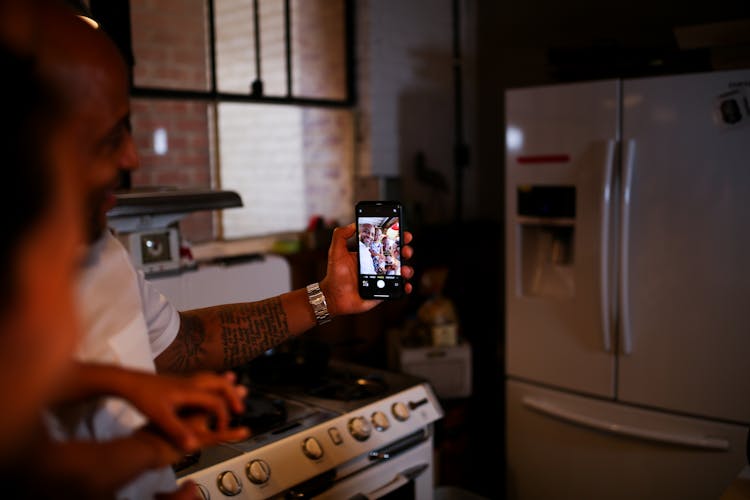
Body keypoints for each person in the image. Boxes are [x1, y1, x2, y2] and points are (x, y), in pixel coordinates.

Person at [34, 1, 414, 497]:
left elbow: (181, 344)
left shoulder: (102, 250)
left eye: (127, 127)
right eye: (107, 137)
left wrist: (329, 297)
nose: (133, 156)